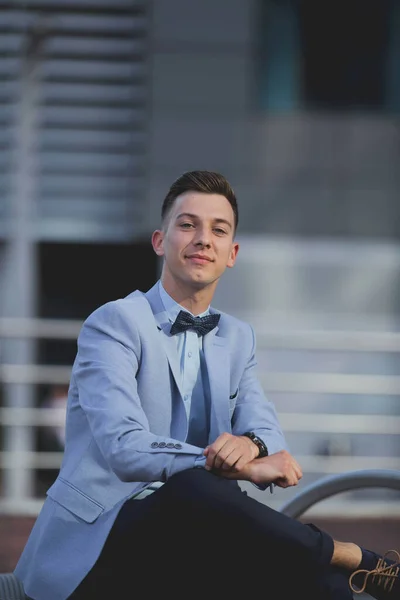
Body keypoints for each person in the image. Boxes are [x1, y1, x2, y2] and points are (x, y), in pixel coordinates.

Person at [15, 171, 399, 600]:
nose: (203, 238)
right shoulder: (115, 322)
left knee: (325, 586)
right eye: (187, 225)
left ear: (231, 253)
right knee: (197, 486)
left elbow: (266, 428)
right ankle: (353, 555)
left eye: (218, 230)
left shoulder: (238, 337)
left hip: (194, 538)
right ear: (161, 241)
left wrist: (252, 446)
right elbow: (123, 446)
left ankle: (352, 568)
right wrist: (230, 464)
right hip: (101, 541)